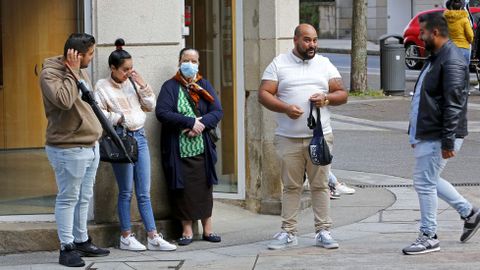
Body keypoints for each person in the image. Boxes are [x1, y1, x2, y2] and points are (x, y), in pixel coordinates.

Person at [258, 23, 348, 250]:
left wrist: (326, 98)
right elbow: (263, 94)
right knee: (291, 187)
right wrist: (285, 108)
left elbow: (342, 94)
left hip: (319, 137)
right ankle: (288, 232)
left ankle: (324, 231)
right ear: (296, 40)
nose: (312, 45)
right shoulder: (279, 63)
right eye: (307, 40)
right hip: (288, 137)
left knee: (320, 186)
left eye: (315, 40)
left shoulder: (324, 64)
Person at [402, 12, 480, 255]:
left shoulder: (452, 60)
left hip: (440, 135)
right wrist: (415, 132)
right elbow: (424, 98)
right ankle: (470, 213)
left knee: (424, 182)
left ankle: (429, 236)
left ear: (435, 32)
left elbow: (454, 104)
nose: (419, 36)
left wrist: (448, 140)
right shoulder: (437, 56)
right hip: (430, 132)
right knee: (430, 179)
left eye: (422, 32)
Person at [94, 39, 177, 252]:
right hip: (121, 139)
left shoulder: (132, 82)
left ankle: (152, 236)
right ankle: (126, 236)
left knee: (144, 192)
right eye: (125, 69)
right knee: (125, 191)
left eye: (131, 68)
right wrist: (120, 117)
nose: (129, 72)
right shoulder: (102, 86)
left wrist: (142, 85)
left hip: (139, 137)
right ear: (113, 68)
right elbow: (100, 114)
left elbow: (150, 106)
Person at [39, 33, 110, 267]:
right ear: (77, 55)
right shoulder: (50, 73)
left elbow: (86, 103)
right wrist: (72, 71)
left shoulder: (80, 70)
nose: (93, 57)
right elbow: (65, 101)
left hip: (90, 145)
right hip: (68, 147)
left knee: (84, 197)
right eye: (90, 53)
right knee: (68, 198)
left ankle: (81, 240)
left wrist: (76, 70)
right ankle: (66, 247)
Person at [156, 48, 223, 246]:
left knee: (204, 189)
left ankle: (208, 230)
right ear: (179, 62)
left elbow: (217, 111)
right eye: (186, 60)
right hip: (179, 151)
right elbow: (163, 112)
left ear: (198, 63)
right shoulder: (170, 86)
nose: (190, 64)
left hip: (202, 149)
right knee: (182, 191)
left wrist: (199, 125)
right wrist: (189, 122)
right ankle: (187, 231)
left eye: (194, 60)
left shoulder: (203, 85)